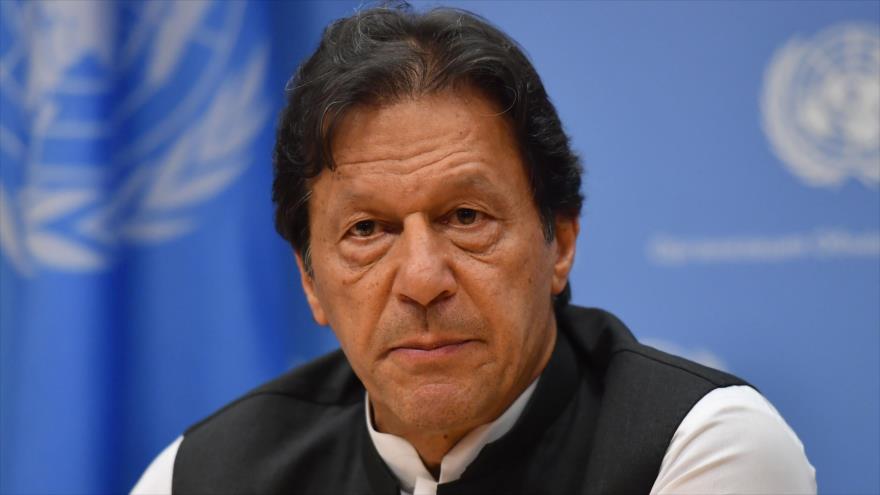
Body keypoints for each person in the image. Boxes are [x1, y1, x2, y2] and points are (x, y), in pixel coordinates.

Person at [133, 5, 816, 494]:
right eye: (367, 231)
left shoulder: (695, 446)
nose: (423, 279)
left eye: (466, 216)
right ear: (311, 280)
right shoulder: (199, 475)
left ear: (560, 242)